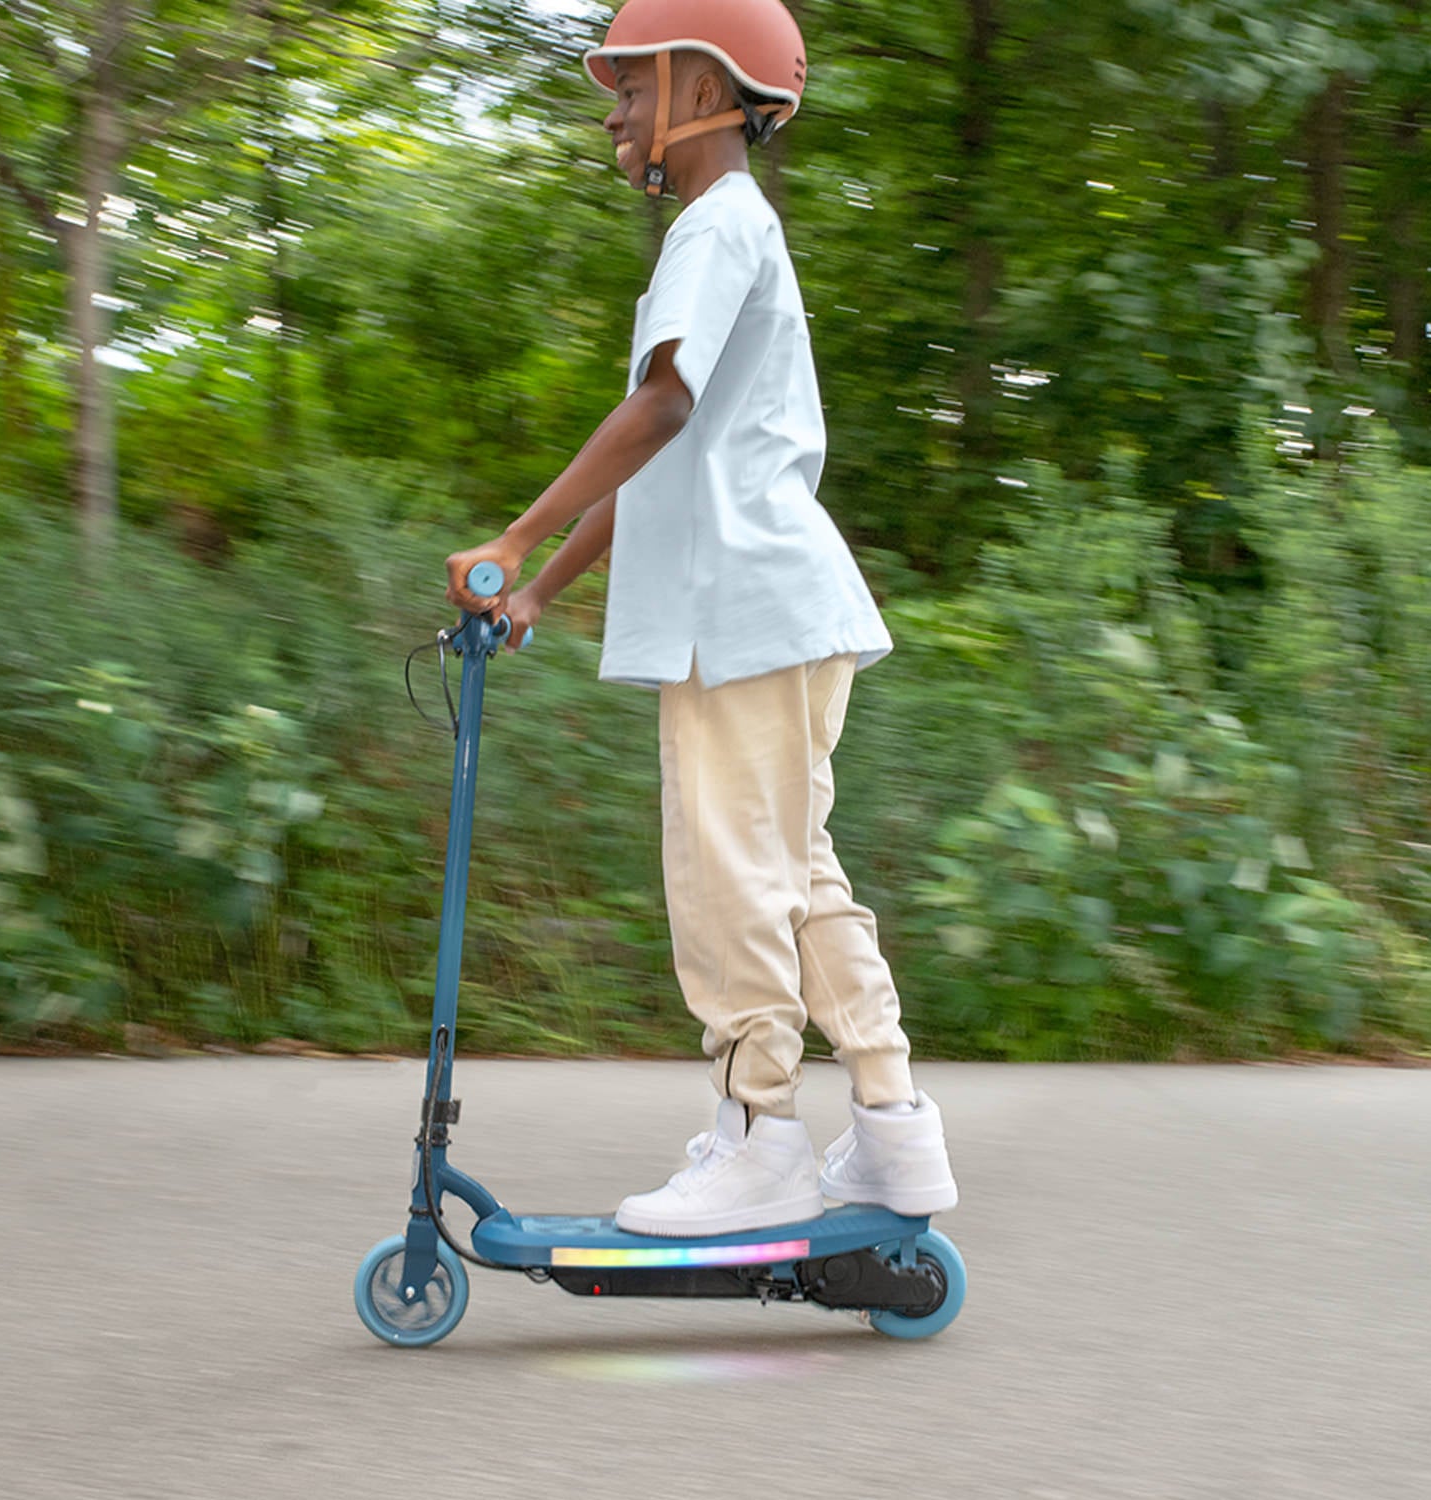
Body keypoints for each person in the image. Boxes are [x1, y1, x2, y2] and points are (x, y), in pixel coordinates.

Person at [445, 0, 957, 1238]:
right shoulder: (732, 233)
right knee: (794, 874)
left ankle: (760, 1137)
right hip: (772, 610)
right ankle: (893, 1132)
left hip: (745, 615)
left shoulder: (713, 228)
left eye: (632, 84)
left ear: (703, 85)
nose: (614, 110)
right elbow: (666, 458)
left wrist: (511, 537)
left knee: (727, 877)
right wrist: (542, 593)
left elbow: (662, 411)